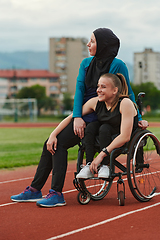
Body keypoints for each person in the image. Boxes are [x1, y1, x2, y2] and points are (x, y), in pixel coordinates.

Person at [11, 28, 148, 208]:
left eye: (92, 41)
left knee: (62, 142)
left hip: (104, 114)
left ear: (104, 45)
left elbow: (126, 92)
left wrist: (137, 118)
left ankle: (56, 193)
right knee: (52, 142)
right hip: (86, 111)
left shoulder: (118, 65)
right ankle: (36, 189)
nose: (88, 44)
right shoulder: (85, 64)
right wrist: (77, 117)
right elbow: (79, 92)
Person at [76, 73, 138, 179]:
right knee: (91, 127)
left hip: (121, 136)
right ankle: (88, 164)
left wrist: (101, 156)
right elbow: (73, 115)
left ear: (114, 90)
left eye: (103, 87)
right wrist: (53, 135)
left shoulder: (125, 103)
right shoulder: (96, 102)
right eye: (98, 86)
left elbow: (125, 136)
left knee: (104, 128)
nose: (98, 90)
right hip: (105, 132)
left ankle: (105, 165)